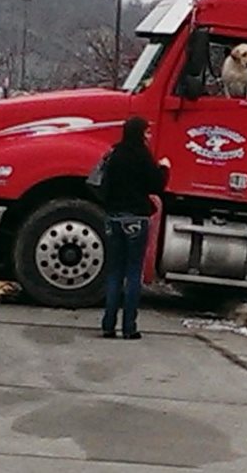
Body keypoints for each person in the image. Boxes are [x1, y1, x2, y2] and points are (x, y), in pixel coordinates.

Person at [100, 116, 170, 340]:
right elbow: (156, 185)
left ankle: (108, 325)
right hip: (136, 220)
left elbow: (104, 183)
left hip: (113, 218)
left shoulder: (114, 154)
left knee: (114, 273)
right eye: (146, 132)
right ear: (139, 133)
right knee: (132, 273)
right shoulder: (143, 156)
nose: (148, 136)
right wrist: (164, 169)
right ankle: (129, 327)